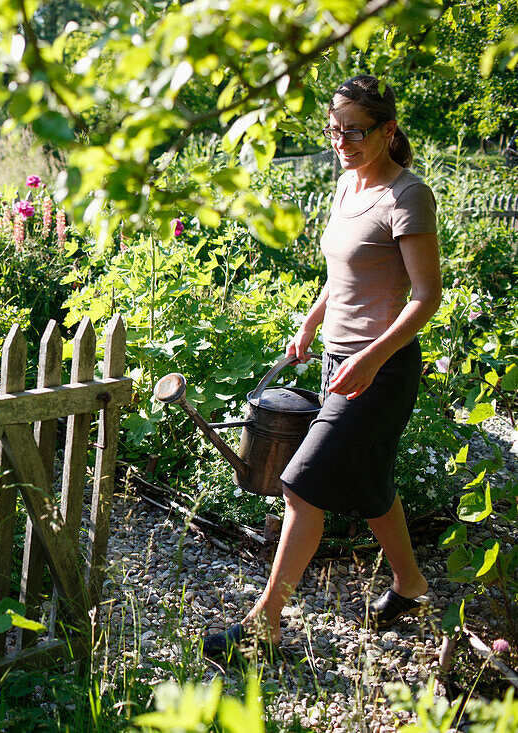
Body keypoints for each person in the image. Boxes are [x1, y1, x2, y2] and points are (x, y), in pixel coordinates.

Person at [204, 75, 443, 655]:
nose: (343, 140)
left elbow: (427, 295)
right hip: (340, 361)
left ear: (388, 130)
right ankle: (410, 585)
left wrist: (370, 356)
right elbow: (342, 277)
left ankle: (266, 621)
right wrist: (312, 323)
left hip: (380, 371)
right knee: (370, 488)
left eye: (356, 131)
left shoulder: (408, 196)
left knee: (301, 487)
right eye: (335, 129)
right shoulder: (345, 186)